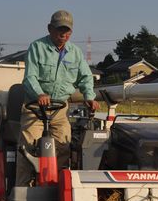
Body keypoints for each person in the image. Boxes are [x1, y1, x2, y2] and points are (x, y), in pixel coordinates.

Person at [16, 10, 100, 186]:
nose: (64, 34)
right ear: (49, 29)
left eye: (67, 31)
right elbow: (30, 77)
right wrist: (39, 94)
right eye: (60, 30)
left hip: (60, 109)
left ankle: (57, 190)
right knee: (28, 148)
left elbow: (85, 77)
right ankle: (24, 190)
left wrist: (89, 97)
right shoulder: (37, 47)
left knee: (63, 145)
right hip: (35, 108)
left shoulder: (75, 53)